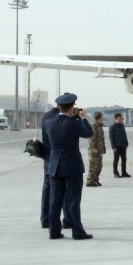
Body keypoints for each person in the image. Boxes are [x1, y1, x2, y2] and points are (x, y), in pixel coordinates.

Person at [45, 93, 94, 240]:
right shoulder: (74, 123)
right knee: (73, 200)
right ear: (72, 107)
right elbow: (88, 133)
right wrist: (83, 118)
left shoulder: (49, 123)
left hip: (54, 165)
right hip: (72, 166)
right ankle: (77, 231)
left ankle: (54, 231)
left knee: (55, 200)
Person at [86, 111, 106, 187]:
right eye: (102, 116)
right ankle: (90, 181)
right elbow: (92, 138)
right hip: (94, 150)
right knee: (93, 165)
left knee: (99, 165)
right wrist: (94, 147)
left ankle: (95, 180)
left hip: (99, 149)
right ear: (99, 117)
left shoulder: (99, 126)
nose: (103, 118)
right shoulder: (94, 126)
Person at [109, 113, 131, 178]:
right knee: (116, 160)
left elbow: (124, 135)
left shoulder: (122, 126)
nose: (121, 120)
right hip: (116, 146)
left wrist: (126, 143)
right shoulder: (112, 127)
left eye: (121, 119)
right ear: (115, 119)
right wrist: (113, 147)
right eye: (119, 119)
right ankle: (115, 172)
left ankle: (124, 172)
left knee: (124, 159)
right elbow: (111, 138)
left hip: (123, 145)